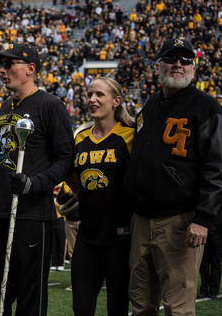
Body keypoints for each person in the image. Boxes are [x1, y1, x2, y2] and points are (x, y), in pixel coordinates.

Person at [123, 38, 222, 315]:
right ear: (157, 66)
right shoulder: (150, 105)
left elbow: (219, 169)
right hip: (140, 220)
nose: (178, 65)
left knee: (179, 308)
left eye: (185, 60)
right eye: (171, 59)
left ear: (193, 69)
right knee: (140, 305)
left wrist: (203, 218)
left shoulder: (207, 108)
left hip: (180, 222)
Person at [0, 43, 74, 316]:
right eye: (0, 65)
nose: (1, 70)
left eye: (9, 65)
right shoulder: (5, 105)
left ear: (30, 69)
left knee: (29, 300)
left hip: (30, 216)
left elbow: (66, 159)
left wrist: (35, 183)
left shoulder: (50, 105)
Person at [69, 77, 134, 315]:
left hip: (121, 238)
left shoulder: (131, 135)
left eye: (99, 95)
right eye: (89, 95)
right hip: (87, 236)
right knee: (81, 307)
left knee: (117, 307)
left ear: (116, 101)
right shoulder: (80, 138)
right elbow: (75, 181)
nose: (92, 100)